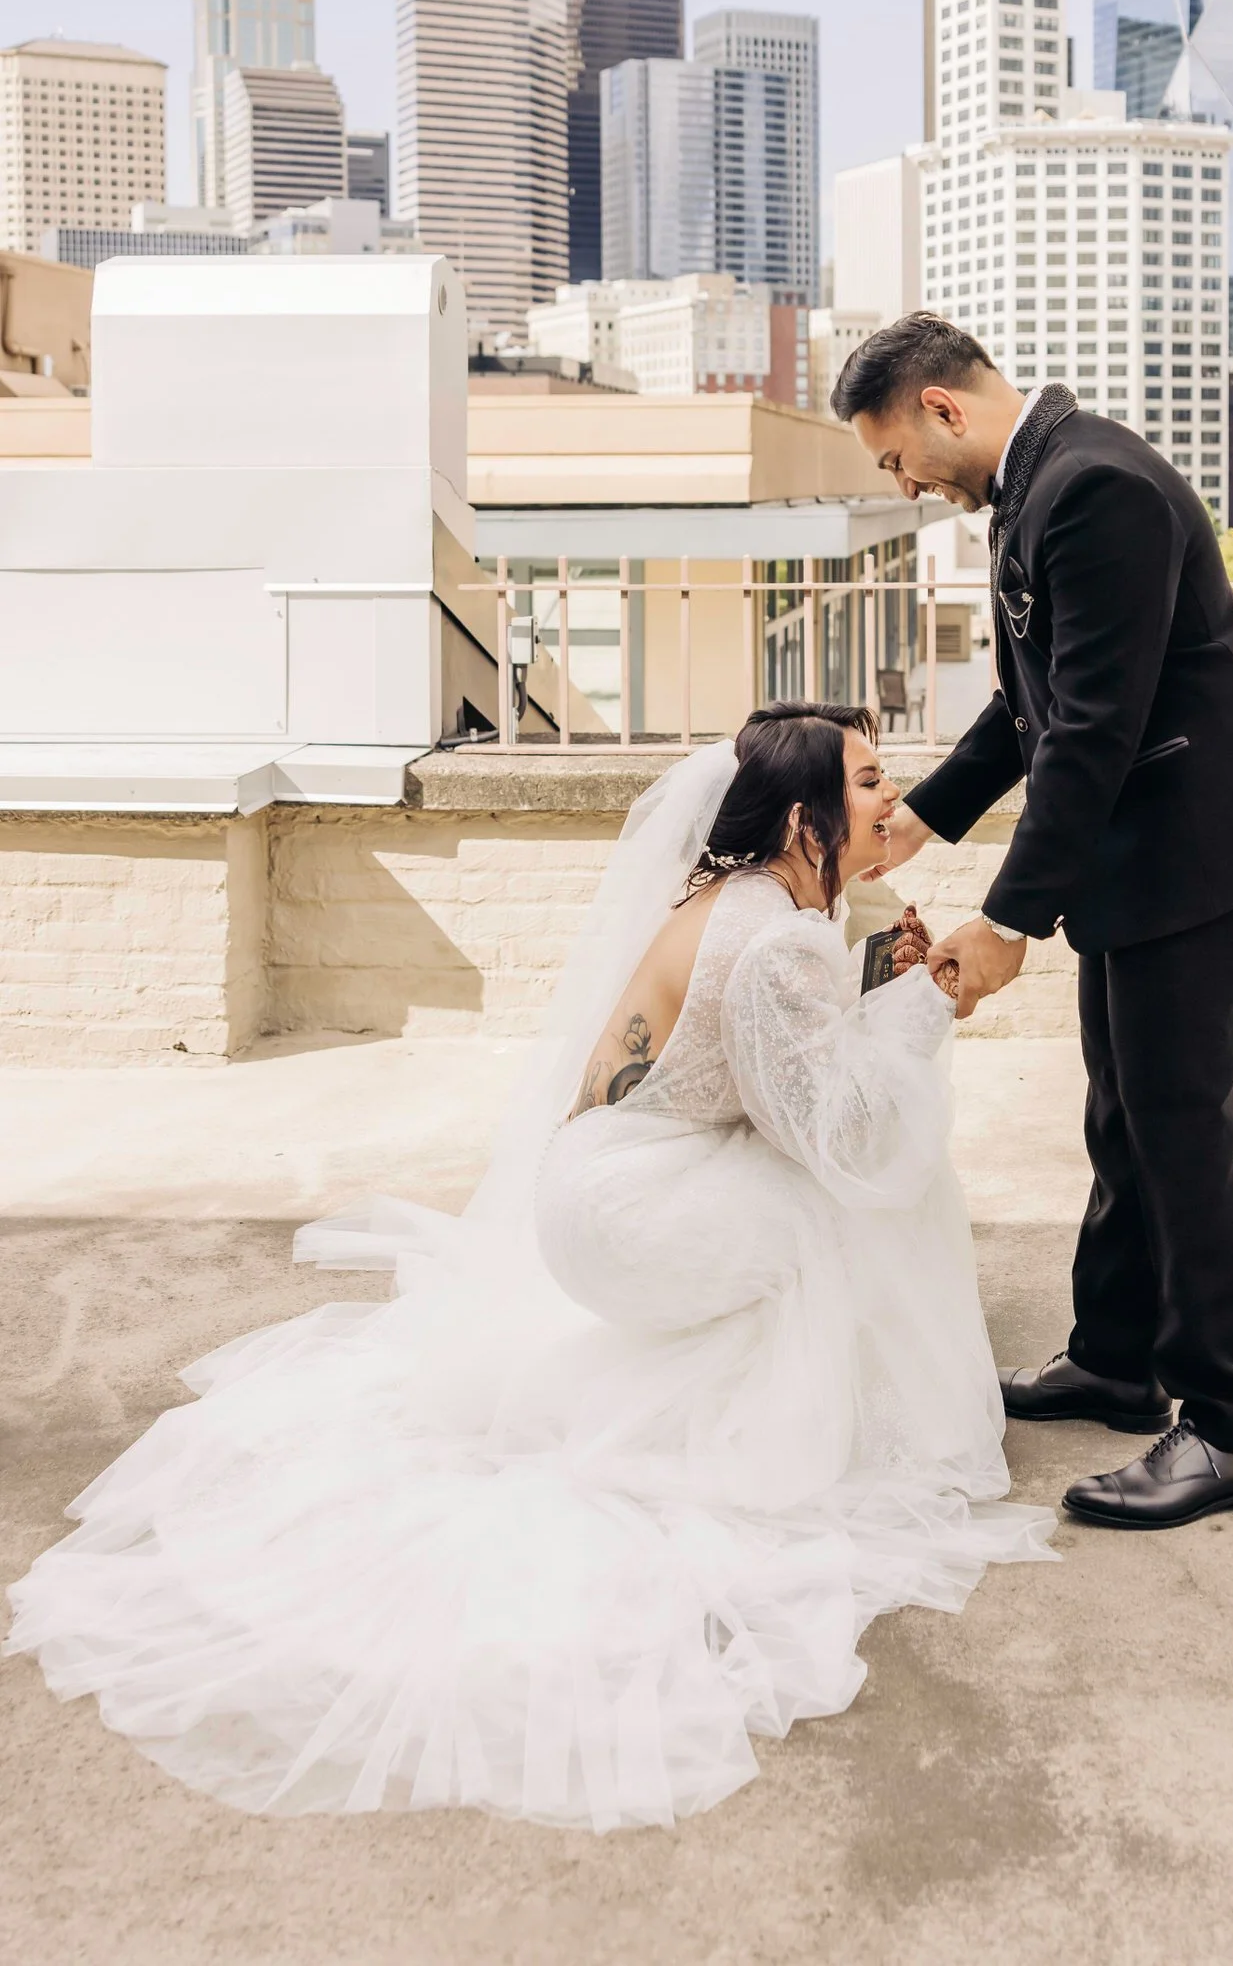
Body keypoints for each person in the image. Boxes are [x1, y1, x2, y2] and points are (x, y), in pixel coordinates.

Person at [6, 705, 1054, 1831]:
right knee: (848, 1208)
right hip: (639, 1216)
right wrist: (930, 1003)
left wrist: (869, 986)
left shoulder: (743, 900)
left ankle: (728, 1403)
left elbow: (749, 1060)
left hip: (595, 1189)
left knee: (820, 1198)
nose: (891, 802)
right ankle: (804, 1443)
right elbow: (833, 1135)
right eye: (867, 783)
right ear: (805, 823)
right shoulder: (782, 939)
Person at [833, 316, 1233, 1531]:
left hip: (1213, 837)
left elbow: (1092, 732)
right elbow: (1030, 703)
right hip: (1148, 840)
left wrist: (1009, 923)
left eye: (893, 458)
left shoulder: (1096, 490)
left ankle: (1232, 1430)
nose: (900, 483)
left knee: (1181, 1123)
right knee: (1120, 1104)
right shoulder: (1038, 489)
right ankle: (1117, 1358)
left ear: (941, 411)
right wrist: (920, 819)